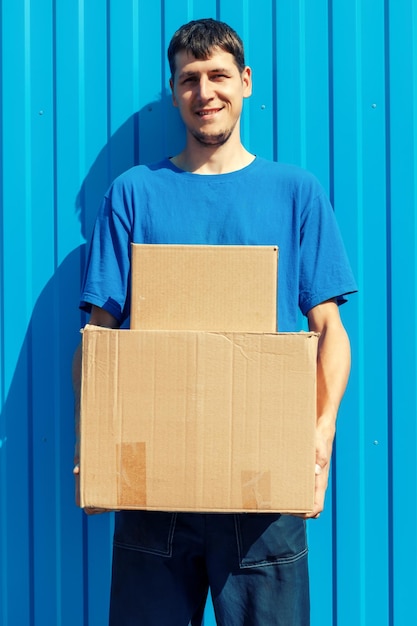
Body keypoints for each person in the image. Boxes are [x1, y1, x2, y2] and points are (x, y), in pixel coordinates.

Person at [73, 17, 357, 626]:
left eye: (219, 75)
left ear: (246, 82)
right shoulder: (134, 194)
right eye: (189, 79)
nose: (206, 91)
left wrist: (320, 436)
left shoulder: (294, 192)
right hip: (156, 490)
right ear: (174, 91)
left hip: (262, 487)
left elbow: (329, 329)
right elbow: (97, 336)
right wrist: (95, 438)